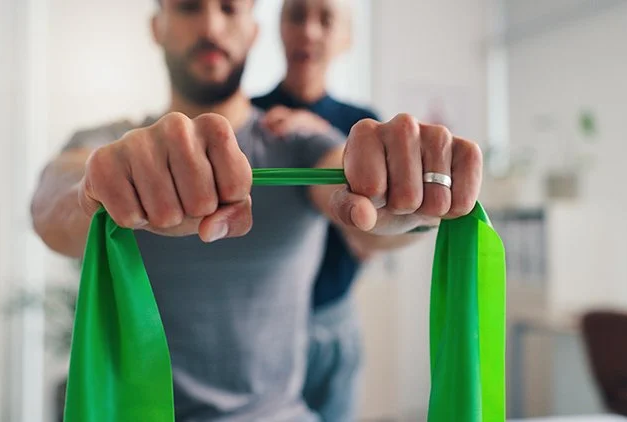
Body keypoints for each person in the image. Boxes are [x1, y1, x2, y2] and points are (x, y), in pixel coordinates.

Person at [30, 0, 483, 420]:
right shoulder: (109, 146)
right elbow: (52, 203)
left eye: (229, 8)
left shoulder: (298, 140)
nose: (211, 26)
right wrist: (92, 189)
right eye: (188, 7)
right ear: (157, 27)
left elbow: (358, 210)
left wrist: (406, 203)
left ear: (253, 31)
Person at [251, 1, 380, 419]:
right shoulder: (247, 117)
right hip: (256, 332)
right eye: (295, 16)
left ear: (347, 38)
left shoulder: (364, 126)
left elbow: (372, 236)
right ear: (279, 28)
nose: (308, 31)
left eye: (325, 19)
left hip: (334, 320)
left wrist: (323, 136)